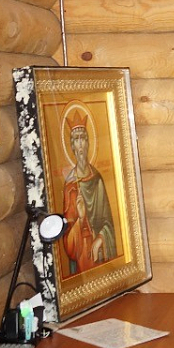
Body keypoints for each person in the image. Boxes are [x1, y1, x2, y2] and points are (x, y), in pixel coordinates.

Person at [60, 108, 116, 275]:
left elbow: (109, 223)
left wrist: (101, 238)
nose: (81, 144)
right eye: (76, 140)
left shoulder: (97, 180)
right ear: (72, 146)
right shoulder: (70, 186)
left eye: (83, 138)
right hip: (83, 260)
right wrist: (80, 218)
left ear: (88, 143)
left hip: (101, 256)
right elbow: (68, 244)